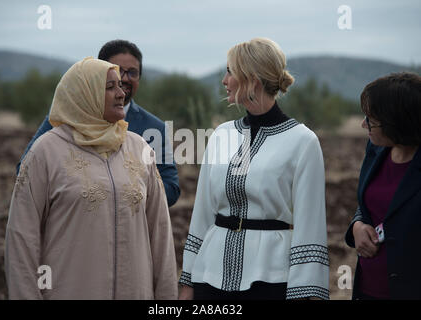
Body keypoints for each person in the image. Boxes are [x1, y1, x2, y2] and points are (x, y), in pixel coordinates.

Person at [5, 57, 178, 299]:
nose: (121, 93)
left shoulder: (139, 148)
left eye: (120, 85)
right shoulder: (46, 152)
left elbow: (160, 234)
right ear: (84, 94)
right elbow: (22, 238)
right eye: (110, 87)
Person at [178, 38, 329, 300]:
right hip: (210, 275)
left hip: (270, 279)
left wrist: (306, 291)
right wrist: (188, 280)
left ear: (252, 79)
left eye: (229, 71)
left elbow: (310, 224)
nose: (224, 80)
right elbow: (202, 213)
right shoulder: (221, 135)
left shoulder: (303, 142)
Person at [16, 40, 180, 207]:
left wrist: (125, 195)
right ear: (98, 73)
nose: (124, 78)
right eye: (117, 70)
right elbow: (25, 172)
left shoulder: (154, 128)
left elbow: (171, 189)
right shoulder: (65, 118)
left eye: (132, 72)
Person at [345, 72, 421, 300]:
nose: (362, 124)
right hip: (368, 290)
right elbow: (371, 206)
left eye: (371, 119)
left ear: (396, 121)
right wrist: (357, 226)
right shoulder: (376, 150)